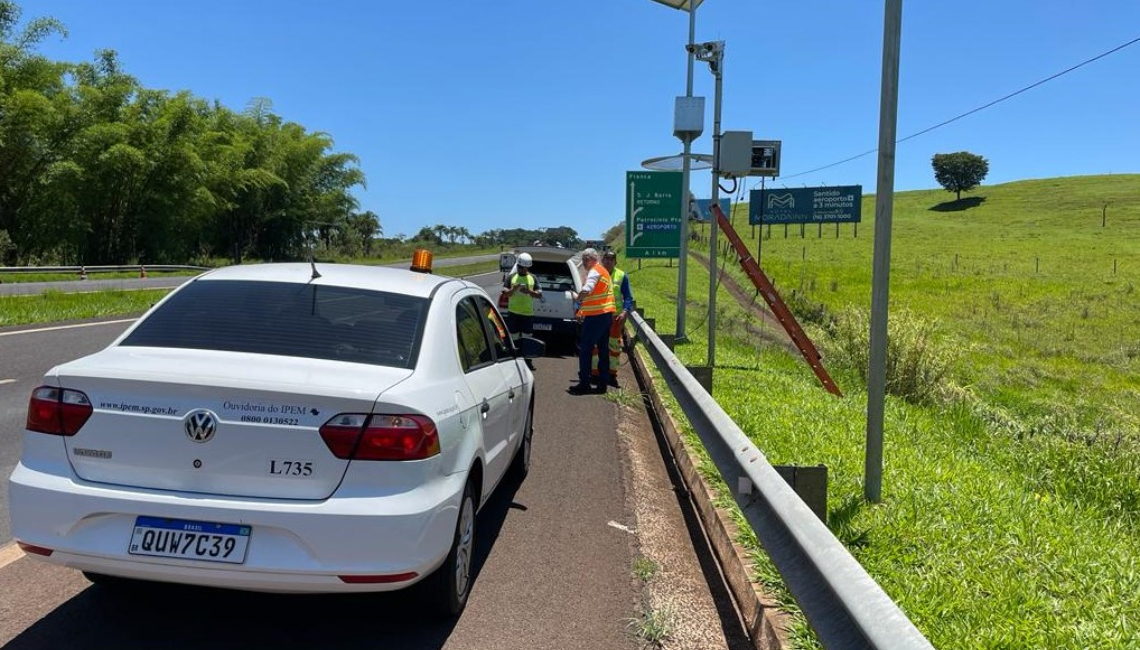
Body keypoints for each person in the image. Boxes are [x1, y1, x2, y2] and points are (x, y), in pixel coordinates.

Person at [568, 248, 615, 395]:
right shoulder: (604, 272)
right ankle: (602, 384)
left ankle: (584, 383)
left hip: (596, 317)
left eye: (584, 260)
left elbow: (588, 289)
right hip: (605, 315)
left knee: (586, 350)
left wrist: (577, 298)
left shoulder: (594, 271)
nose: (583, 263)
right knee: (603, 350)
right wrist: (582, 310)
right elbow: (596, 296)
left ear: (590, 259)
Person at [591, 250, 633, 388]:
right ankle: (595, 373)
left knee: (614, 346)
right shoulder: (596, 274)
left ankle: (611, 374)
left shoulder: (622, 276)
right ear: (602, 260)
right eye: (606, 258)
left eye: (611, 259)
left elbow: (628, 297)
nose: (608, 261)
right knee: (597, 346)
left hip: (615, 318)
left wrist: (625, 311)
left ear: (615, 262)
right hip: (598, 316)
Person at [502, 252, 541, 368]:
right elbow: (504, 293)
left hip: (527, 314)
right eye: (522, 267)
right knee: (513, 337)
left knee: (527, 337)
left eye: (526, 268)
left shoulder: (533, 278)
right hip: (513, 313)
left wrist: (529, 291)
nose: (524, 270)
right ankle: (514, 358)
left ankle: (528, 360)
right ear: (518, 266)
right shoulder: (511, 277)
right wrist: (513, 290)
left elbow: (539, 295)